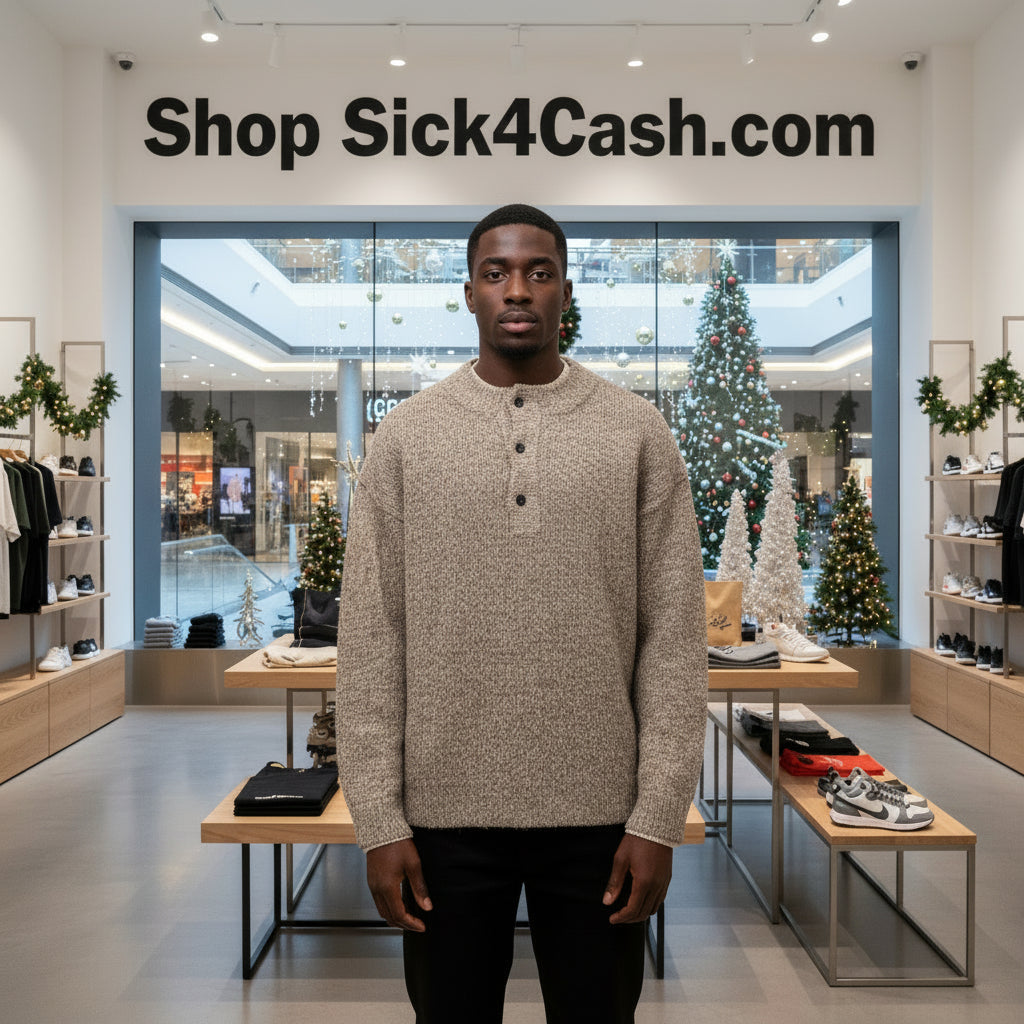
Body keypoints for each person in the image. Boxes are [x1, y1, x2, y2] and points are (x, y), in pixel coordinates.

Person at [336, 203, 707, 1023]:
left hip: (603, 823)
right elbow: (372, 642)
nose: (518, 290)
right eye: (498, 273)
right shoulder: (403, 438)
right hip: (440, 821)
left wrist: (660, 815)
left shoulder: (638, 433)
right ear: (468, 292)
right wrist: (378, 820)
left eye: (539, 273)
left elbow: (674, 641)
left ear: (565, 292)